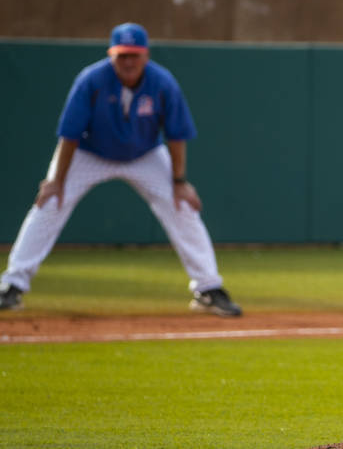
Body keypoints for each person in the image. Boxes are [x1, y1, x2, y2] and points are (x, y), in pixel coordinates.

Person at [0, 23, 242, 317]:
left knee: (183, 205)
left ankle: (208, 288)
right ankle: (12, 285)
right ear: (111, 55)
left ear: (146, 55)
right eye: (122, 55)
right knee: (49, 202)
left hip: (145, 154)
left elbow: (177, 135)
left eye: (134, 55)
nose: (128, 62)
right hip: (91, 152)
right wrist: (56, 180)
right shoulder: (91, 80)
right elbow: (70, 135)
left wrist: (179, 181)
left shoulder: (163, 83)